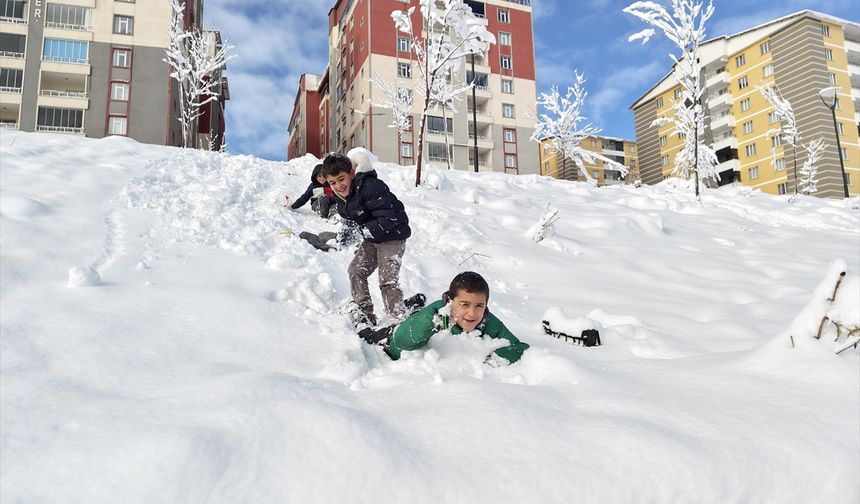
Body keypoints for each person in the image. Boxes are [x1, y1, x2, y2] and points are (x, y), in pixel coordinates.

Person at [355, 271, 530, 365]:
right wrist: (430, 324)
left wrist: (493, 361)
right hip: (392, 339)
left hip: (413, 321)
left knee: (408, 316)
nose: (472, 313)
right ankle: (356, 315)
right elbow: (401, 341)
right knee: (366, 333)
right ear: (450, 301)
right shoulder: (436, 315)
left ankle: (414, 303)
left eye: (479, 306)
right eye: (464, 304)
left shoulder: (489, 322)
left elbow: (521, 347)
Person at [321, 150, 411, 325]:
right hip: (372, 238)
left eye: (341, 179)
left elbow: (388, 219)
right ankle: (365, 311)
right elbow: (351, 220)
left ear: (352, 174)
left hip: (393, 236)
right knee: (355, 271)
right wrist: (344, 238)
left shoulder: (370, 186)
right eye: (333, 182)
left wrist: (365, 233)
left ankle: (398, 318)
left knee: (387, 280)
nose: (339, 185)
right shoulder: (341, 198)